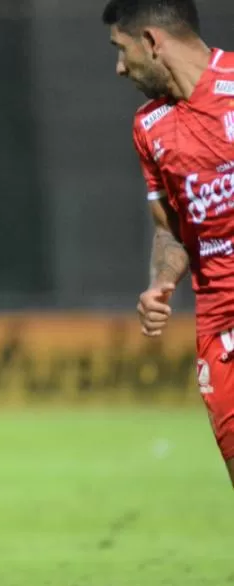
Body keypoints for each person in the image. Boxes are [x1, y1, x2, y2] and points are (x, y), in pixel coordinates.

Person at [105, 0, 234, 482]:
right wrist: (161, 282)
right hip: (219, 329)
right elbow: (169, 229)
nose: (119, 68)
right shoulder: (150, 126)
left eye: (122, 50)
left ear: (153, 41)